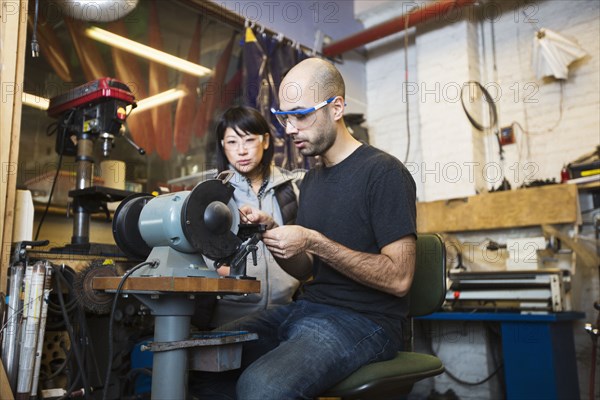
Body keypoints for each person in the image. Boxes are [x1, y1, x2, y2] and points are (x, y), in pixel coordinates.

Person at [195, 58, 417, 400]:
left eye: (300, 115)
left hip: (367, 322)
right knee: (201, 358)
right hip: (308, 308)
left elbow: (400, 279)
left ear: (337, 107)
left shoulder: (383, 173)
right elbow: (307, 269)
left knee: (261, 387)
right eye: (284, 118)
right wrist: (272, 234)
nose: (289, 129)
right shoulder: (312, 180)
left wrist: (314, 239)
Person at [204, 106, 302, 327]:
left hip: (287, 313)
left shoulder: (291, 189)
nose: (241, 151)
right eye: (231, 142)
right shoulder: (211, 192)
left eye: (248, 140)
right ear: (222, 145)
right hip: (229, 316)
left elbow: (302, 246)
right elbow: (204, 254)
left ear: (265, 141)